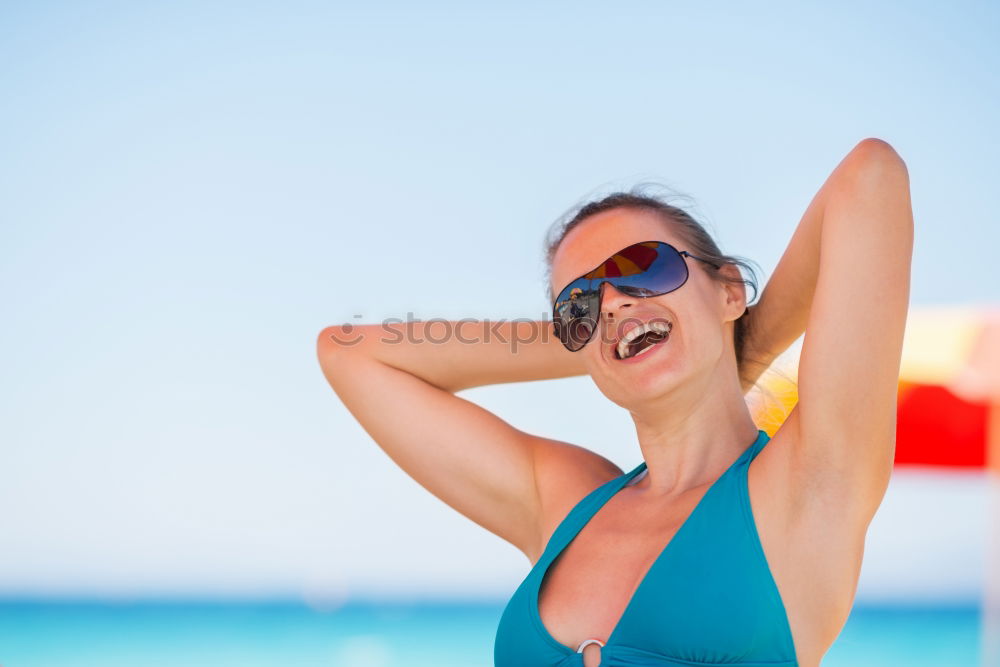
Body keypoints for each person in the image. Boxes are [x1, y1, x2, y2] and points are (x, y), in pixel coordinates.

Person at [316, 138, 913, 667]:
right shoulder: (566, 503)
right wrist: (615, 333)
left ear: (730, 288)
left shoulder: (807, 486)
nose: (611, 303)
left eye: (644, 269)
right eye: (578, 305)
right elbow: (350, 354)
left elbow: (870, 177)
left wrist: (740, 341)